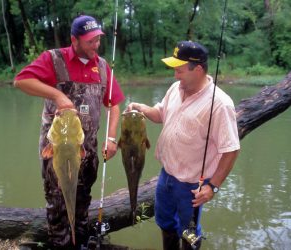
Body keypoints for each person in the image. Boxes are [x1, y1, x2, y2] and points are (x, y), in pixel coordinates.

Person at [14, 15, 124, 249]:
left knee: (83, 197)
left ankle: (79, 240)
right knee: (57, 200)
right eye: (89, 41)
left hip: (88, 148)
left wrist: (111, 138)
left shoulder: (103, 66)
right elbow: (21, 81)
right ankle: (60, 243)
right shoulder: (54, 59)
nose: (95, 45)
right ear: (74, 40)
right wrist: (57, 95)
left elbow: (114, 104)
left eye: (98, 40)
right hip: (55, 148)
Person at [126, 41, 240, 250]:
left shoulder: (220, 104)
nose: (175, 75)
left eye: (179, 70)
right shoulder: (175, 88)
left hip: (191, 185)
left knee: (188, 233)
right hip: (166, 176)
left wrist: (213, 186)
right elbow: (161, 113)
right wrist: (142, 108)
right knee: (165, 223)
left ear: (197, 69)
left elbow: (231, 149)